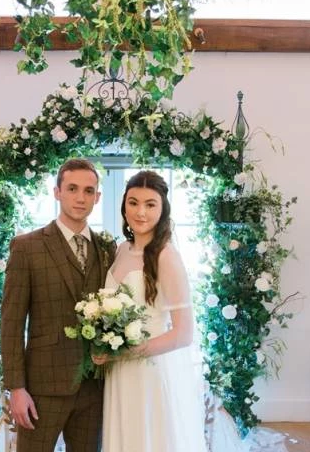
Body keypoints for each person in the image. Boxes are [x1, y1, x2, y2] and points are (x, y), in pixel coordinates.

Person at [0, 158, 116, 452]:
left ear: (97, 197)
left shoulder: (107, 248)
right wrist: (16, 388)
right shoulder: (27, 247)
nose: (81, 198)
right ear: (57, 192)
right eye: (73, 188)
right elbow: (12, 323)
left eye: (89, 191)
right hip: (42, 388)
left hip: (93, 386)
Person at [93, 170, 208, 452]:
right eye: (133, 203)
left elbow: (183, 334)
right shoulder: (121, 250)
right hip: (118, 371)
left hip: (150, 369)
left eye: (150, 204)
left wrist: (124, 351)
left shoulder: (166, 256)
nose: (140, 212)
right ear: (124, 206)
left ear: (163, 208)